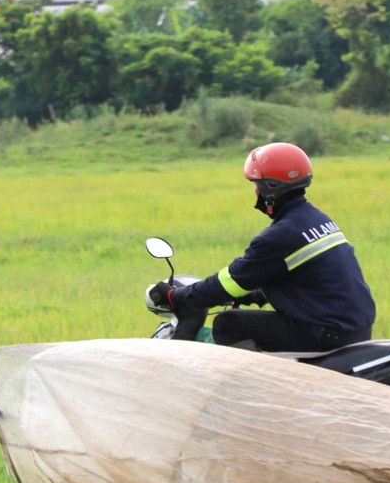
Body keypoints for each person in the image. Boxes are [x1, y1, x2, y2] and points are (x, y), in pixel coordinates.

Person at [148, 142, 376, 352]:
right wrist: (255, 293)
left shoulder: (279, 236)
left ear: (270, 189)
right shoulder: (318, 219)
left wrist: (175, 296)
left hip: (325, 333)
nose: (255, 192)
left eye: (257, 185)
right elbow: (303, 280)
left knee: (229, 322)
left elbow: (229, 283)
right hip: (353, 328)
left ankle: (247, 388)